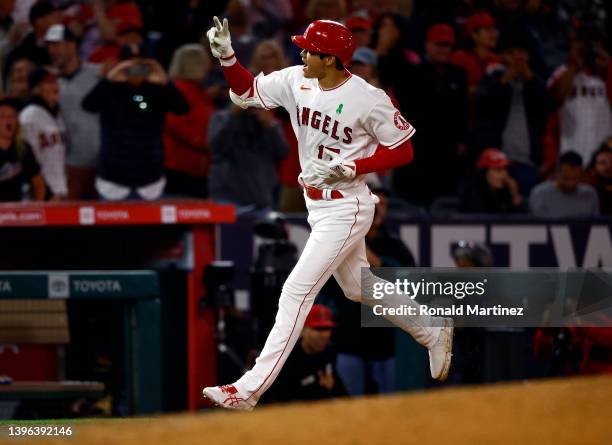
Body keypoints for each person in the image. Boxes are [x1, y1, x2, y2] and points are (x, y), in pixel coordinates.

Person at [202, 17, 453, 411]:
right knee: (357, 287)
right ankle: (431, 330)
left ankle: (248, 389)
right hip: (316, 205)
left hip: (348, 204)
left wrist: (355, 167)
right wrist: (228, 57)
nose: (301, 53)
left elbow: (404, 149)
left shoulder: (367, 97)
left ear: (331, 58)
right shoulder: (296, 79)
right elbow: (248, 90)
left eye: (309, 50)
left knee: (295, 291)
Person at [82, 45, 189, 201]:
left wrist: (165, 82)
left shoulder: (158, 88)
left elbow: (182, 108)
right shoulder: (110, 87)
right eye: (129, 65)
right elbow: (87, 105)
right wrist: (108, 80)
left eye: (140, 65)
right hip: (113, 180)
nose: (135, 70)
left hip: (150, 179)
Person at [335, 188, 416, 395]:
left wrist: (378, 262)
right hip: (350, 339)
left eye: (384, 205)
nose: (380, 209)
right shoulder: (341, 240)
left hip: (384, 341)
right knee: (350, 407)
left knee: (389, 410)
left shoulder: (395, 245)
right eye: (375, 202)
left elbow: (410, 282)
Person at [392, 23, 469, 206]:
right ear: (427, 45)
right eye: (439, 44)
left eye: (447, 45)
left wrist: (462, 141)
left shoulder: (459, 76)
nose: (443, 50)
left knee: (446, 204)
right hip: (419, 152)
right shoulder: (411, 74)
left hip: (448, 154)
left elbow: (464, 113)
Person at [208, 40, 290, 212]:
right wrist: (233, 113)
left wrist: (270, 126)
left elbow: (282, 152)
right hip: (227, 195)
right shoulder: (223, 116)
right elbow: (216, 147)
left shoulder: (270, 117)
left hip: (263, 193)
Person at [474, 31, 550, 196]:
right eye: (512, 53)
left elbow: (547, 107)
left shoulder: (535, 81)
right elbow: (482, 104)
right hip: (496, 161)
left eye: (521, 53)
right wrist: (506, 79)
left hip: (528, 161)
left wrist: (530, 79)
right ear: (502, 55)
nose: (517, 57)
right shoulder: (493, 76)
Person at [45, 24, 101, 199]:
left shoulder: (97, 73)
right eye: (49, 46)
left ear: (72, 45)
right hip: (69, 168)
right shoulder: (49, 83)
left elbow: (134, 102)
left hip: (101, 165)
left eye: (57, 44)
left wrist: (141, 103)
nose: (52, 50)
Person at [547, 26, 612, 164]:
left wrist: (608, 66)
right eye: (586, 44)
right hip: (570, 155)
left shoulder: (606, 73)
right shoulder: (562, 72)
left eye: (595, 45)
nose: (590, 49)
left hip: (603, 160)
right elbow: (553, 100)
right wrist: (575, 63)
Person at [262, 304, 346, 403]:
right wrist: (321, 390)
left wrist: (331, 387)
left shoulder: (329, 352)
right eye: (318, 328)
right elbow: (278, 401)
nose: (324, 335)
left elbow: (342, 394)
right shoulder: (285, 360)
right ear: (301, 331)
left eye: (327, 328)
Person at [163, 43, 215, 198]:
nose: (209, 66)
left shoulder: (199, 91)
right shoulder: (177, 90)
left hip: (197, 167)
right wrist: (206, 142)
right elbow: (176, 125)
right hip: (179, 166)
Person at [19, 68, 68, 200]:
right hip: (41, 193)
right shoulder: (29, 116)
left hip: (59, 190)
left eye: (56, 81)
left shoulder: (57, 115)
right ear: (36, 89)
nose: (56, 85)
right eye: (50, 82)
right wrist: (44, 193)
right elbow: (27, 160)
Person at [0, 96, 45, 201]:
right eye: (2, 116)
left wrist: (35, 209)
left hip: (17, 211)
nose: (8, 120)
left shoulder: (23, 148)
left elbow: (38, 183)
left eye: (12, 116)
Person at [2, 0, 60, 83]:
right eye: (53, 17)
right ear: (39, 22)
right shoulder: (22, 51)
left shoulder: (64, 43)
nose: (58, 22)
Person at [529, 150, 599, 218]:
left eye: (575, 178)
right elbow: (538, 226)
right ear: (556, 173)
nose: (571, 183)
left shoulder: (590, 194)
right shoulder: (540, 194)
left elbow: (596, 226)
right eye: (566, 178)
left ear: (581, 175)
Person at [459, 148, 525, 213]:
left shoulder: (506, 191)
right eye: (498, 170)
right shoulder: (472, 194)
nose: (504, 175)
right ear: (484, 173)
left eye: (505, 169)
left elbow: (520, 220)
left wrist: (515, 196)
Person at [585, 141, 612, 215]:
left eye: (611, 162)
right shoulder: (588, 190)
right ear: (593, 168)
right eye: (602, 163)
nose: (608, 166)